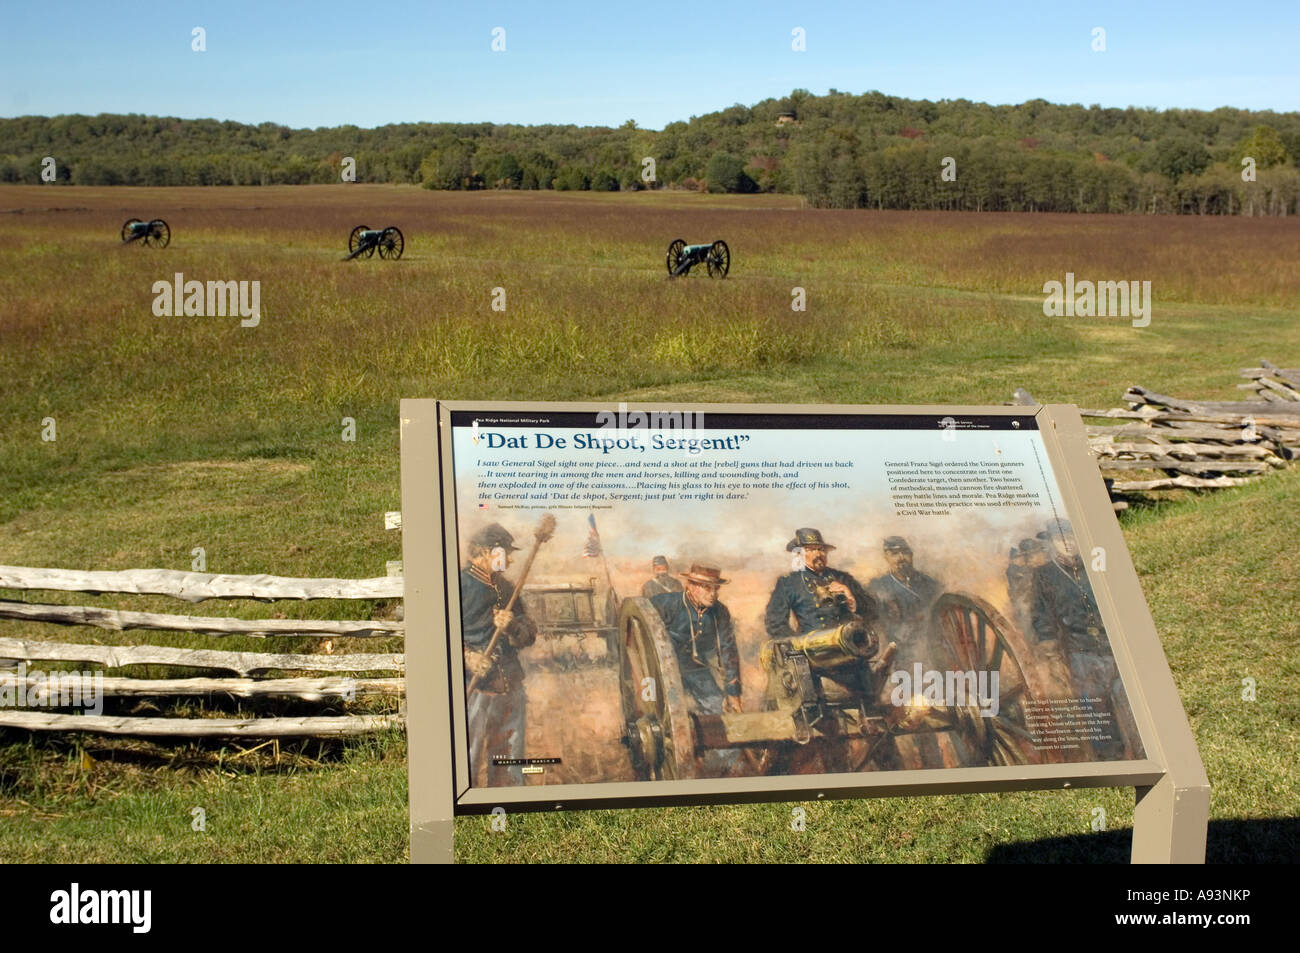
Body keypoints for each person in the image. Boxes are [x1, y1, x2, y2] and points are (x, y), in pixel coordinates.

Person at [1029, 517, 1126, 760]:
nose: (1068, 544)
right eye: (1061, 539)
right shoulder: (1044, 575)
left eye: (1071, 538)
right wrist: (1048, 644)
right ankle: (1108, 760)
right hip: (1079, 652)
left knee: (1127, 705)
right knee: (1094, 707)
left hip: (1111, 648)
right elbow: (1041, 615)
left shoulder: (1096, 568)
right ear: (1052, 542)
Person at [461, 522, 537, 786]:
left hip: (512, 690)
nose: (511, 558)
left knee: (510, 764)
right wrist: (467, 657)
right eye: (505, 551)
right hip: (475, 691)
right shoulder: (459, 586)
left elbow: (529, 635)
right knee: (467, 760)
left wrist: (513, 626)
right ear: (484, 552)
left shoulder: (506, 588)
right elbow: (439, 635)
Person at [649, 564, 742, 776]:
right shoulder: (664, 604)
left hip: (694, 667)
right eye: (707, 588)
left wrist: (733, 693)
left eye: (716, 588)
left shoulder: (720, 612)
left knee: (716, 706)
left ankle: (726, 764)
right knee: (670, 715)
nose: (713, 594)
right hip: (661, 667)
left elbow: (728, 650)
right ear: (690, 586)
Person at [866, 536, 945, 768]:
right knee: (915, 713)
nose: (901, 558)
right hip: (900, 658)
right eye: (894, 553)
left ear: (912, 555)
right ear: (886, 556)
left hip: (933, 652)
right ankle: (927, 765)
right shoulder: (877, 587)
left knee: (947, 710)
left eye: (905, 553)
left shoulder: (930, 584)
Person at [764, 527, 873, 638]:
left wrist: (851, 598)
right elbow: (774, 624)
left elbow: (873, 611)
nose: (818, 554)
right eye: (810, 550)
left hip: (847, 645)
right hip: (812, 650)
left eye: (821, 549)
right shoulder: (789, 583)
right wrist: (798, 646)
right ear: (799, 554)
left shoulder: (842, 578)